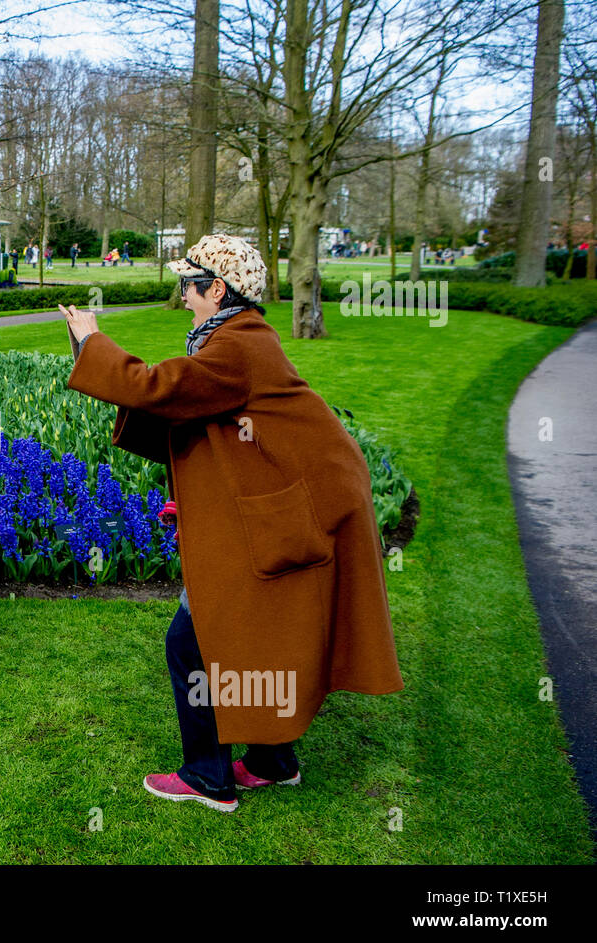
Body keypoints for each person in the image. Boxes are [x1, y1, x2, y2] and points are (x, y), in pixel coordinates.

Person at [59, 233, 403, 812]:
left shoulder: (236, 346)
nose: (182, 296)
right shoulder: (237, 338)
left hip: (291, 515)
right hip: (286, 508)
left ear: (216, 289)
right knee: (263, 636)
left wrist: (93, 340)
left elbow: (156, 388)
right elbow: (183, 410)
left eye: (187, 286)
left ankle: (207, 778)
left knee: (192, 644)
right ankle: (272, 762)